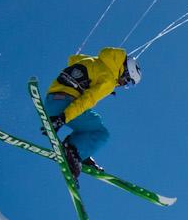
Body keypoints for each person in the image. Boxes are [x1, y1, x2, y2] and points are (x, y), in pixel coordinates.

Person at [45, 47, 141, 178]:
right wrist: (63, 118)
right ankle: (74, 150)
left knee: (94, 120)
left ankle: (80, 152)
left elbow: (73, 60)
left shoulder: (94, 61)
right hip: (64, 106)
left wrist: (94, 82)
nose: (122, 84)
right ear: (125, 71)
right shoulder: (108, 81)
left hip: (51, 101)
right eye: (127, 81)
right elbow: (87, 100)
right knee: (101, 133)